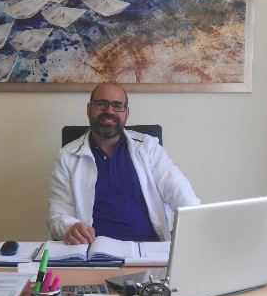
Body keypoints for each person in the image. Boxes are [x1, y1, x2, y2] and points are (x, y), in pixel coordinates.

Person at [47, 83, 200, 245]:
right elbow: (57, 215)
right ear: (89, 109)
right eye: (101, 104)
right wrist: (71, 227)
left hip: (148, 250)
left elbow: (182, 195)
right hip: (94, 251)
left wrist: (195, 224)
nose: (109, 111)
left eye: (118, 105)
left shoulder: (148, 148)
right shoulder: (67, 157)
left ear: (126, 113)